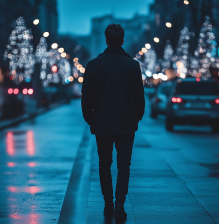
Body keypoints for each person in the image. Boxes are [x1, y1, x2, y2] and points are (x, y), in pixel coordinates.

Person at [81, 24, 145, 219]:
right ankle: (120, 205)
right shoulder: (132, 65)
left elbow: (86, 98)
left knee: (104, 164)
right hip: (126, 123)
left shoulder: (93, 65)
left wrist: (91, 119)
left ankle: (108, 204)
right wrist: (136, 117)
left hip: (102, 123)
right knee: (124, 165)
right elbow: (139, 97)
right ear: (123, 41)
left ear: (106, 40)